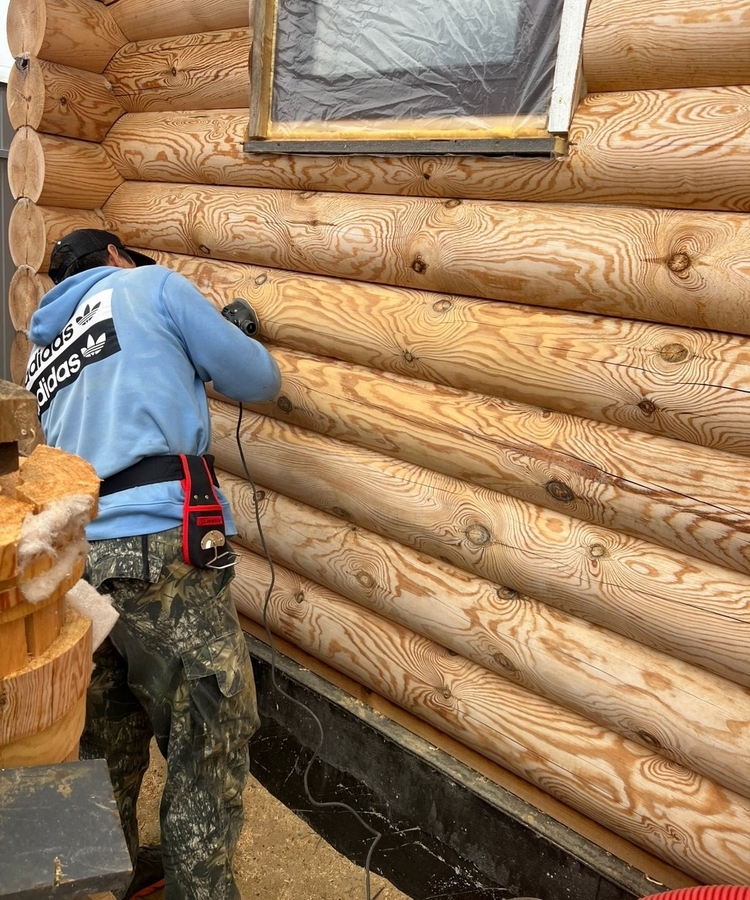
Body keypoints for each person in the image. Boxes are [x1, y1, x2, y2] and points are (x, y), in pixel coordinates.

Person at [24, 229, 282, 900]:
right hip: (159, 545)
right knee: (208, 734)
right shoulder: (150, 284)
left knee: (103, 739)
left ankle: (96, 885)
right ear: (116, 256)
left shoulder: (42, 354)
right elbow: (258, 378)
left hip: (75, 564)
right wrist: (222, 335)